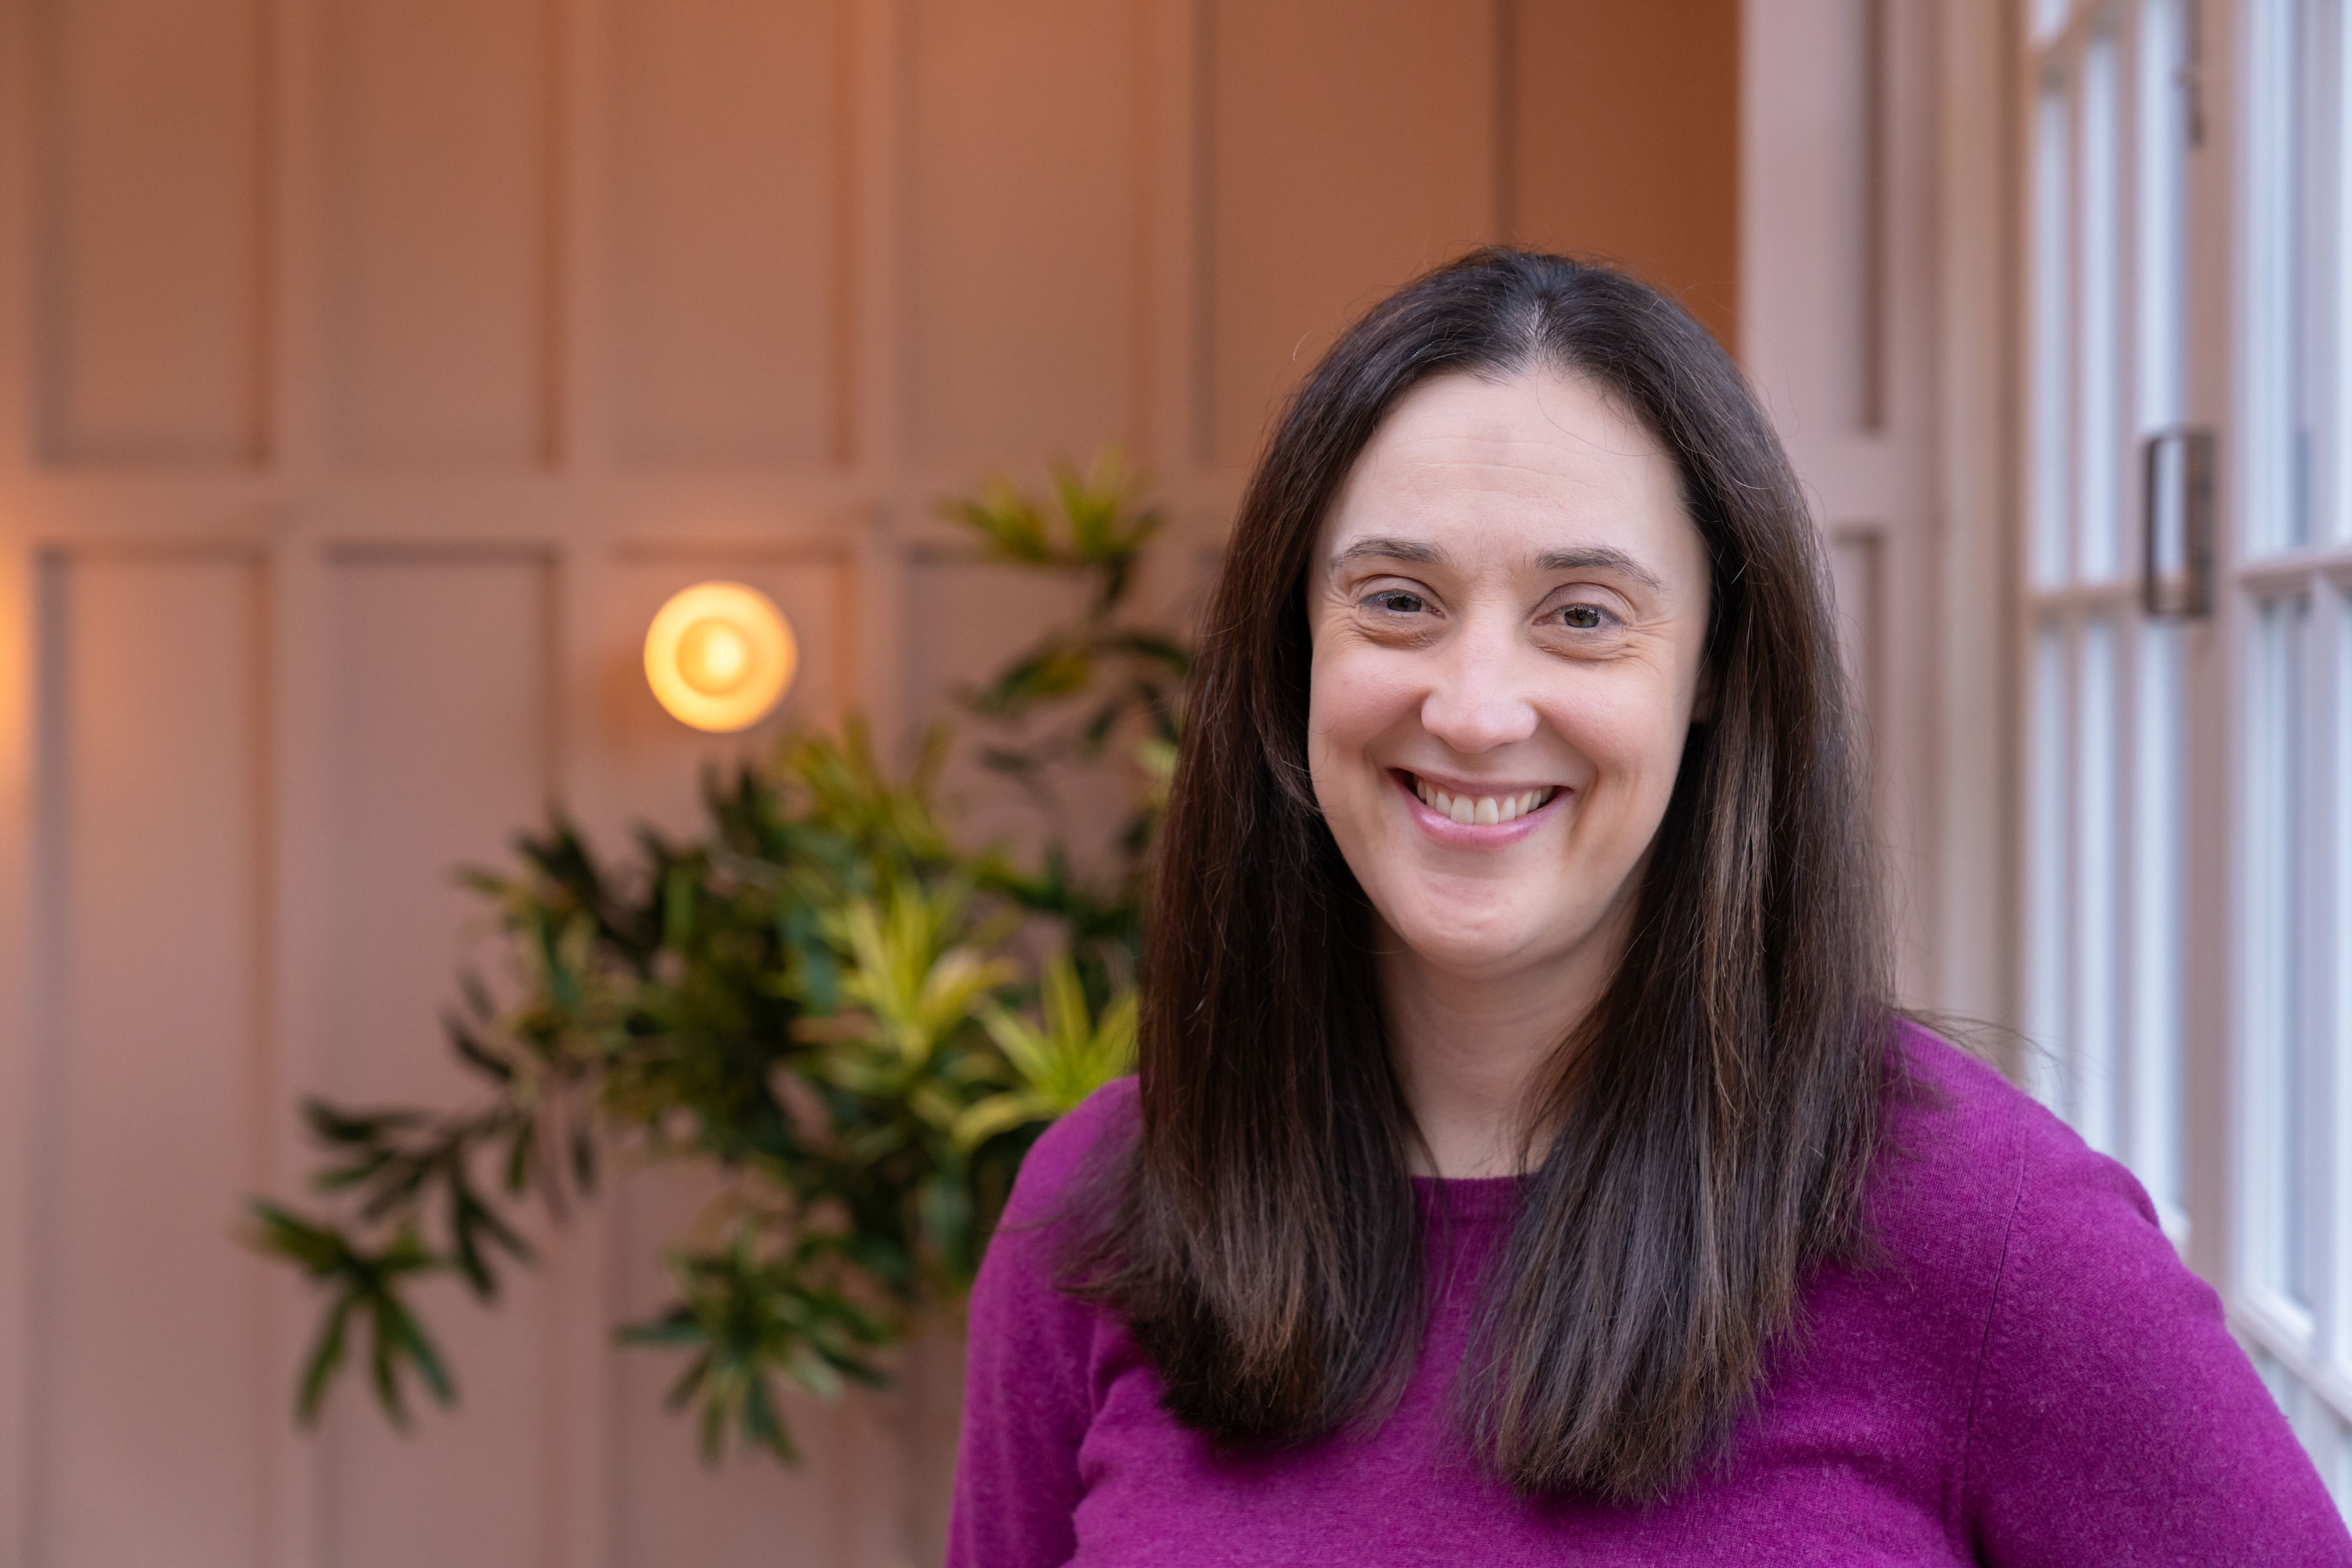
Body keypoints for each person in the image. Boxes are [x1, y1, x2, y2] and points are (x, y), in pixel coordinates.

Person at [947, 250, 2351, 1565]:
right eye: (1398, 600)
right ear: (1294, 646)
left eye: (1584, 615)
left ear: (1715, 674)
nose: (1477, 710)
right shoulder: (1099, 1209)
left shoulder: (1992, 1232)